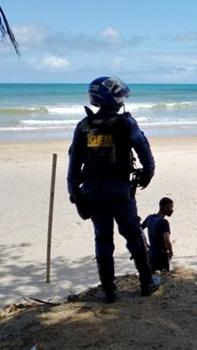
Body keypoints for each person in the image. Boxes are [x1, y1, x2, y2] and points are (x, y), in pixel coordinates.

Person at [67, 76, 160, 303]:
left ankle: (109, 291)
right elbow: (146, 156)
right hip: (119, 189)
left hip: (93, 191)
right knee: (133, 235)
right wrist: (146, 176)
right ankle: (146, 282)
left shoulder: (84, 126)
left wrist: (74, 192)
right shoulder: (126, 123)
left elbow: (73, 164)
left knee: (102, 238)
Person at [142, 197, 174, 272]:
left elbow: (139, 229)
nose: (172, 210)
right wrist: (170, 251)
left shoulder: (149, 218)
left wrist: (145, 244)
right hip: (161, 256)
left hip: (151, 255)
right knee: (163, 280)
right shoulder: (164, 222)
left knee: (153, 279)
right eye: (171, 207)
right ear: (166, 207)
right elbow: (167, 241)